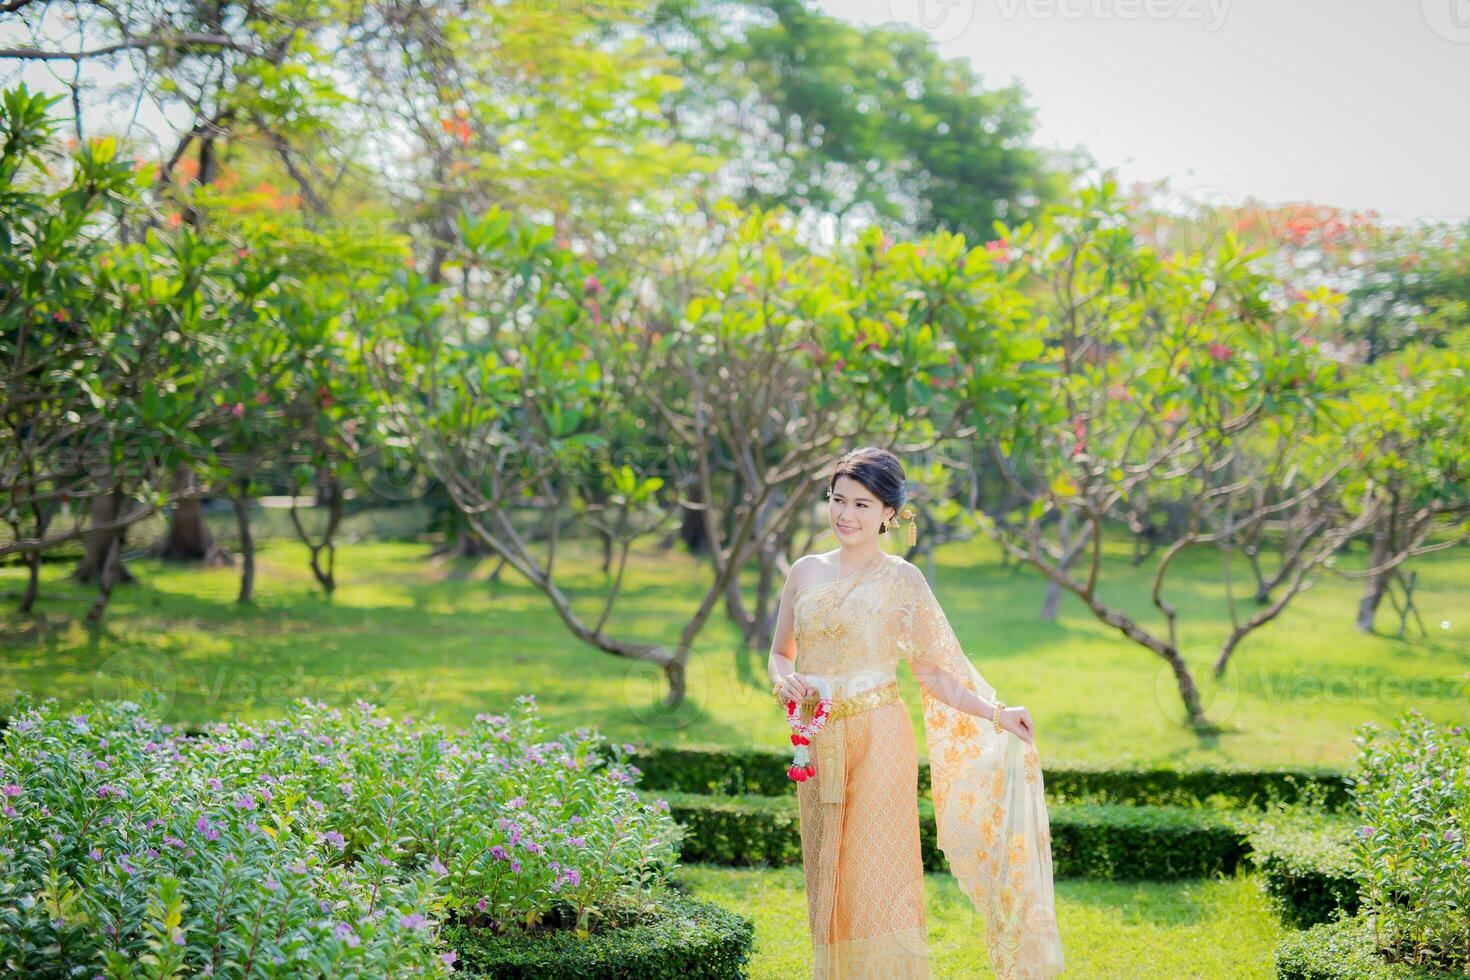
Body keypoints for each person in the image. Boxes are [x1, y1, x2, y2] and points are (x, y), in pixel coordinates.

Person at [767, 446, 1065, 979]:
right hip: (816, 741)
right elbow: (779, 651)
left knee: (874, 872)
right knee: (826, 871)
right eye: (838, 500)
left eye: (862, 504)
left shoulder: (902, 581)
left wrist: (997, 713)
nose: (845, 515)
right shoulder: (803, 573)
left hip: (880, 736)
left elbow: (936, 674)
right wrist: (781, 679)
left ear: (889, 513)